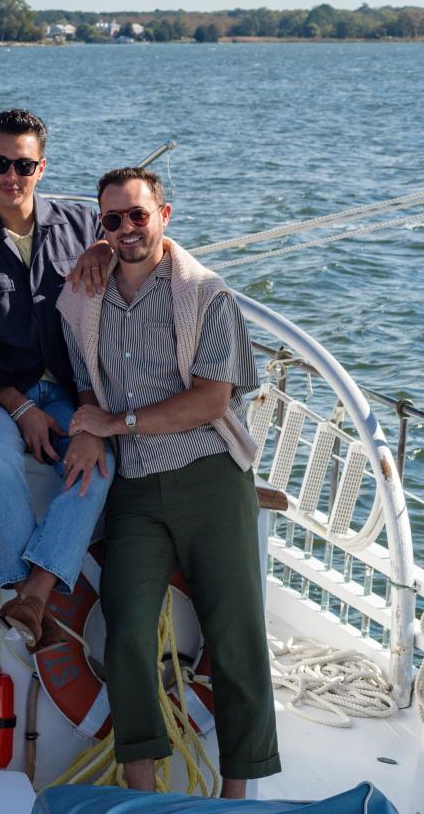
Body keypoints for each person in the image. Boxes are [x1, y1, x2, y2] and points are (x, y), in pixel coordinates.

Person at [58, 167, 280, 798]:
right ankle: (142, 792)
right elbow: (82, 376)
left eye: (138, 215)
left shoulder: (205, 294)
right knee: (124, 631)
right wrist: (88, 426)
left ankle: (236, 797)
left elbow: (211, 400)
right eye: (112, 220)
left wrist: (116, 421)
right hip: (134, 489)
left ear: (164, 215)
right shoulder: (82, 296)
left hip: (209, 477)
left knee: (236, 638)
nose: (127, 229)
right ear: (99, 226)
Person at [0, 109, 115, 651]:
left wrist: (106, 249)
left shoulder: (84, 228)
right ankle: (23, 593)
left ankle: (33, 596)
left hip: (69, 391)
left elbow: (144, 242)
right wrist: (21, 410)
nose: (10, 176)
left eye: (23, 164)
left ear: (42, 167)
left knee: (99, 463)